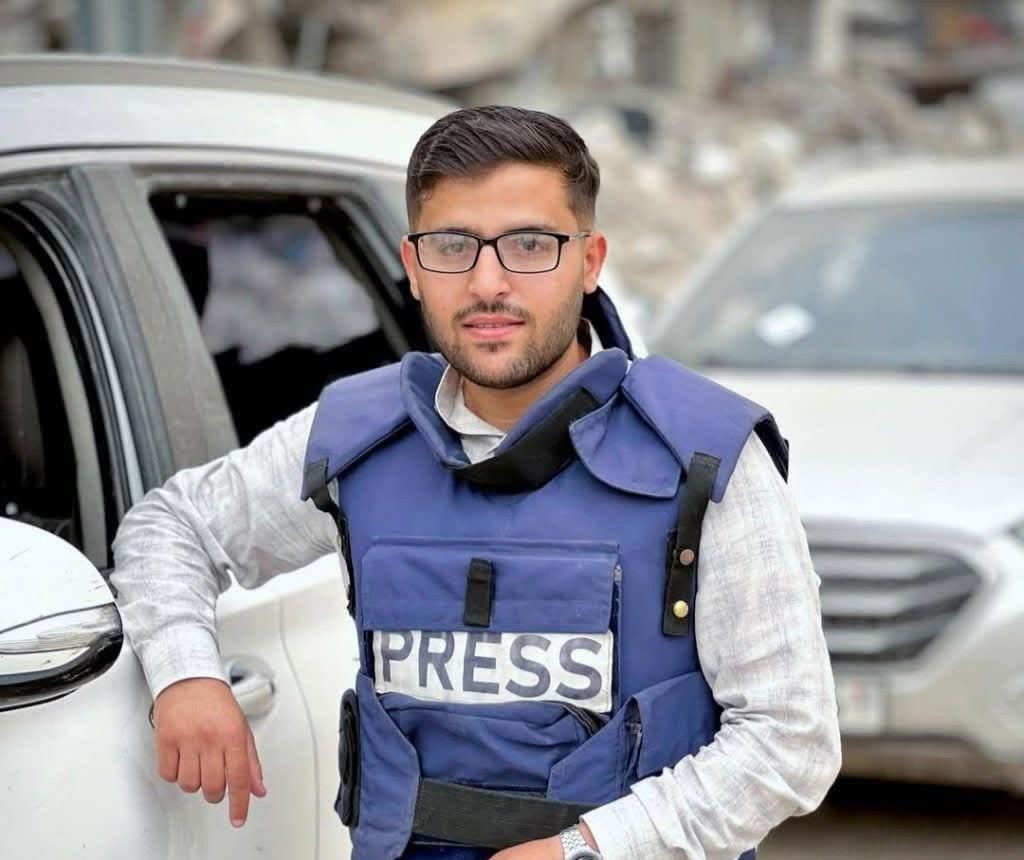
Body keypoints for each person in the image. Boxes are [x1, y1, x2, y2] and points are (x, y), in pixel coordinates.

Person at [112, 106, 841, 860]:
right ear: (413, 264)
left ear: (589, 261)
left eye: (530, 245)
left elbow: (791, 740)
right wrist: (185, 673)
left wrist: (583, 850)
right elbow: (171, 525)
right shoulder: (357, 436)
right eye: (453, 246)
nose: (487, 283)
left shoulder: (704, 457)